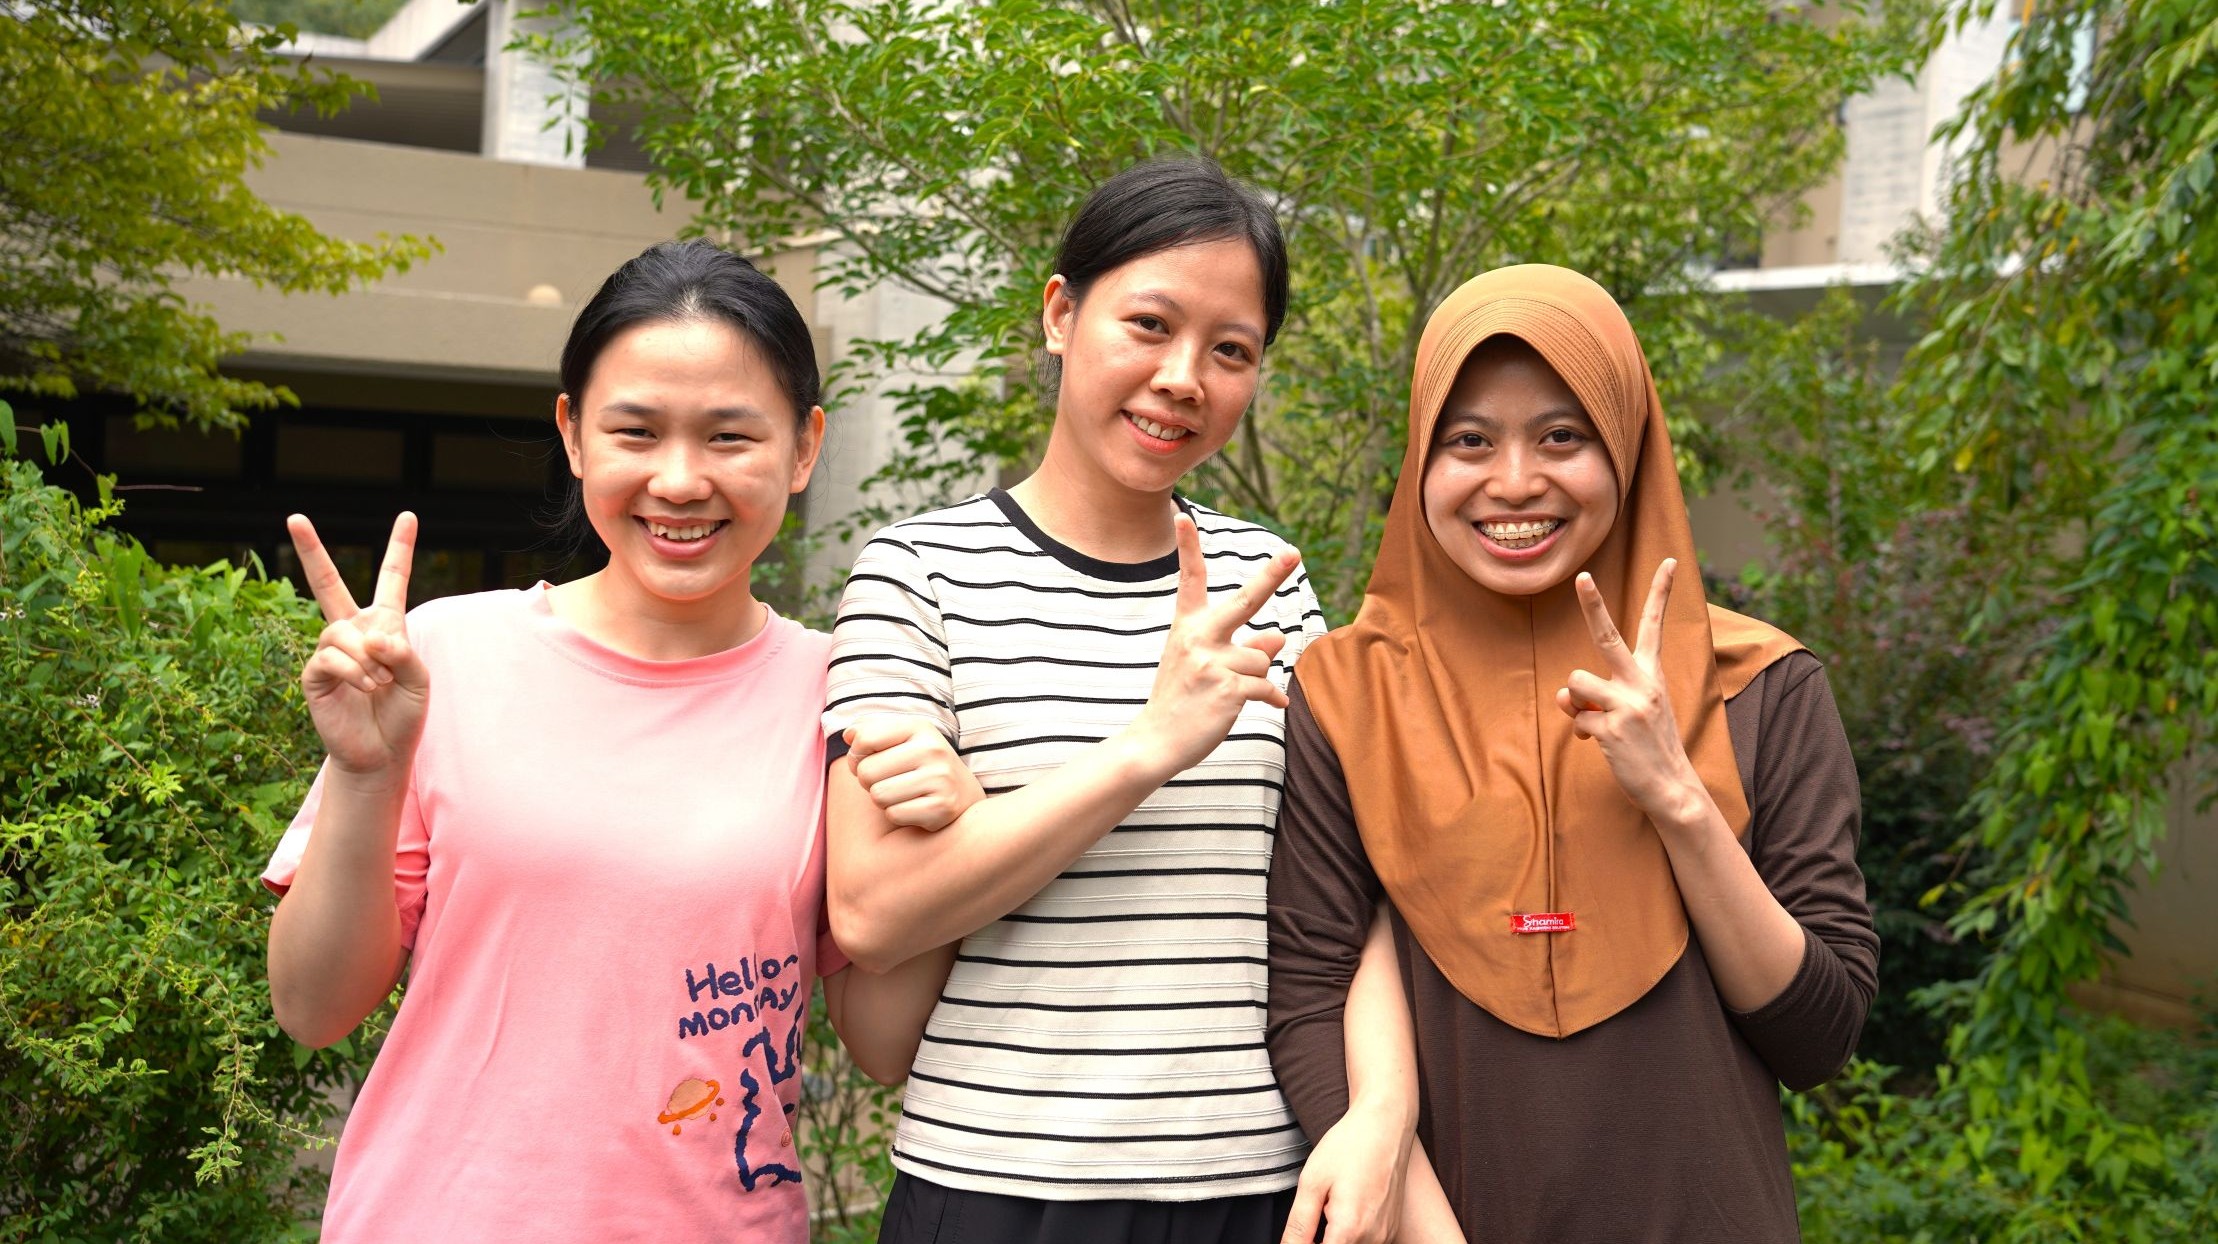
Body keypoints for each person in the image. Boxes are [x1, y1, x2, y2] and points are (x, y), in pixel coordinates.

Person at [262, 240, 960, 1243]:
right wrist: (364, 774)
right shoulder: (442, 658)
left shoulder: (844, 696)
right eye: (636, 431)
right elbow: (312, 1006)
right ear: (574, 434)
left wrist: (944, 831)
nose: (679, 481)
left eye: (729, 436)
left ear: (805, 446)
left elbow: (884, 1045)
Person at [823, 157, 1432, 1244]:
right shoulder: (918, 573)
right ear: (1061, 314)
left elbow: (1352, 894)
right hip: (997, 1185)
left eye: (1231, 349)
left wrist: (1381, 1113)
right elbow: (871, 915)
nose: (1183, 377)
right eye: (1149, 324)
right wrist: (1151, 743)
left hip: (1257, 1181)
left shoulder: (1269, 582)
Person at [1267, 264, 1878, 1241]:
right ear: (1420, 458)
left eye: (1562, 436)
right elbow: (1311, 990)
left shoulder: (1762, 685)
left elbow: (1819, 1038)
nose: (1514, 481)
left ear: (1627, 446)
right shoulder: (1348, 695)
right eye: (1468, 440)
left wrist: (1679, 799)